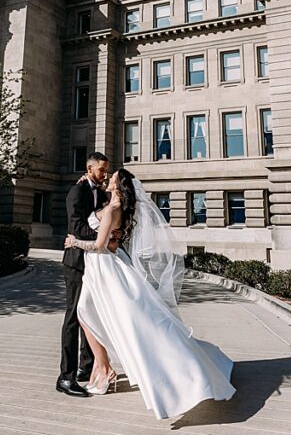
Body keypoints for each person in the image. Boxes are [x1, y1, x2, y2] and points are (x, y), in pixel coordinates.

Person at [64, 166, 236, 419]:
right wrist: (84, 181)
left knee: (115, 318)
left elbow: (101, 246)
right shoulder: (115, 204)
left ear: (118, 185)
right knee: (87, 313)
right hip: (100, 267)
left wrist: (74, 242)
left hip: (104, 267)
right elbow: (110, 234)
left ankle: (107, 369)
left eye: (111, 179)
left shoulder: (113, 209)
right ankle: (103, 368)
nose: (108, 180)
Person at [56, 151, 108, 397]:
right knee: (74, 317)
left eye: (106, 171)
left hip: (95, 264)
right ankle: (65, 377)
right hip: (76, 263)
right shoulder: (77, 192)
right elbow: (75, 227)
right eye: (101, 170)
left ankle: (85, 369)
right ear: (89, 169)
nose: (104, 174)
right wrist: (103, 237)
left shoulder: (103, 193)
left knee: (90, 316)